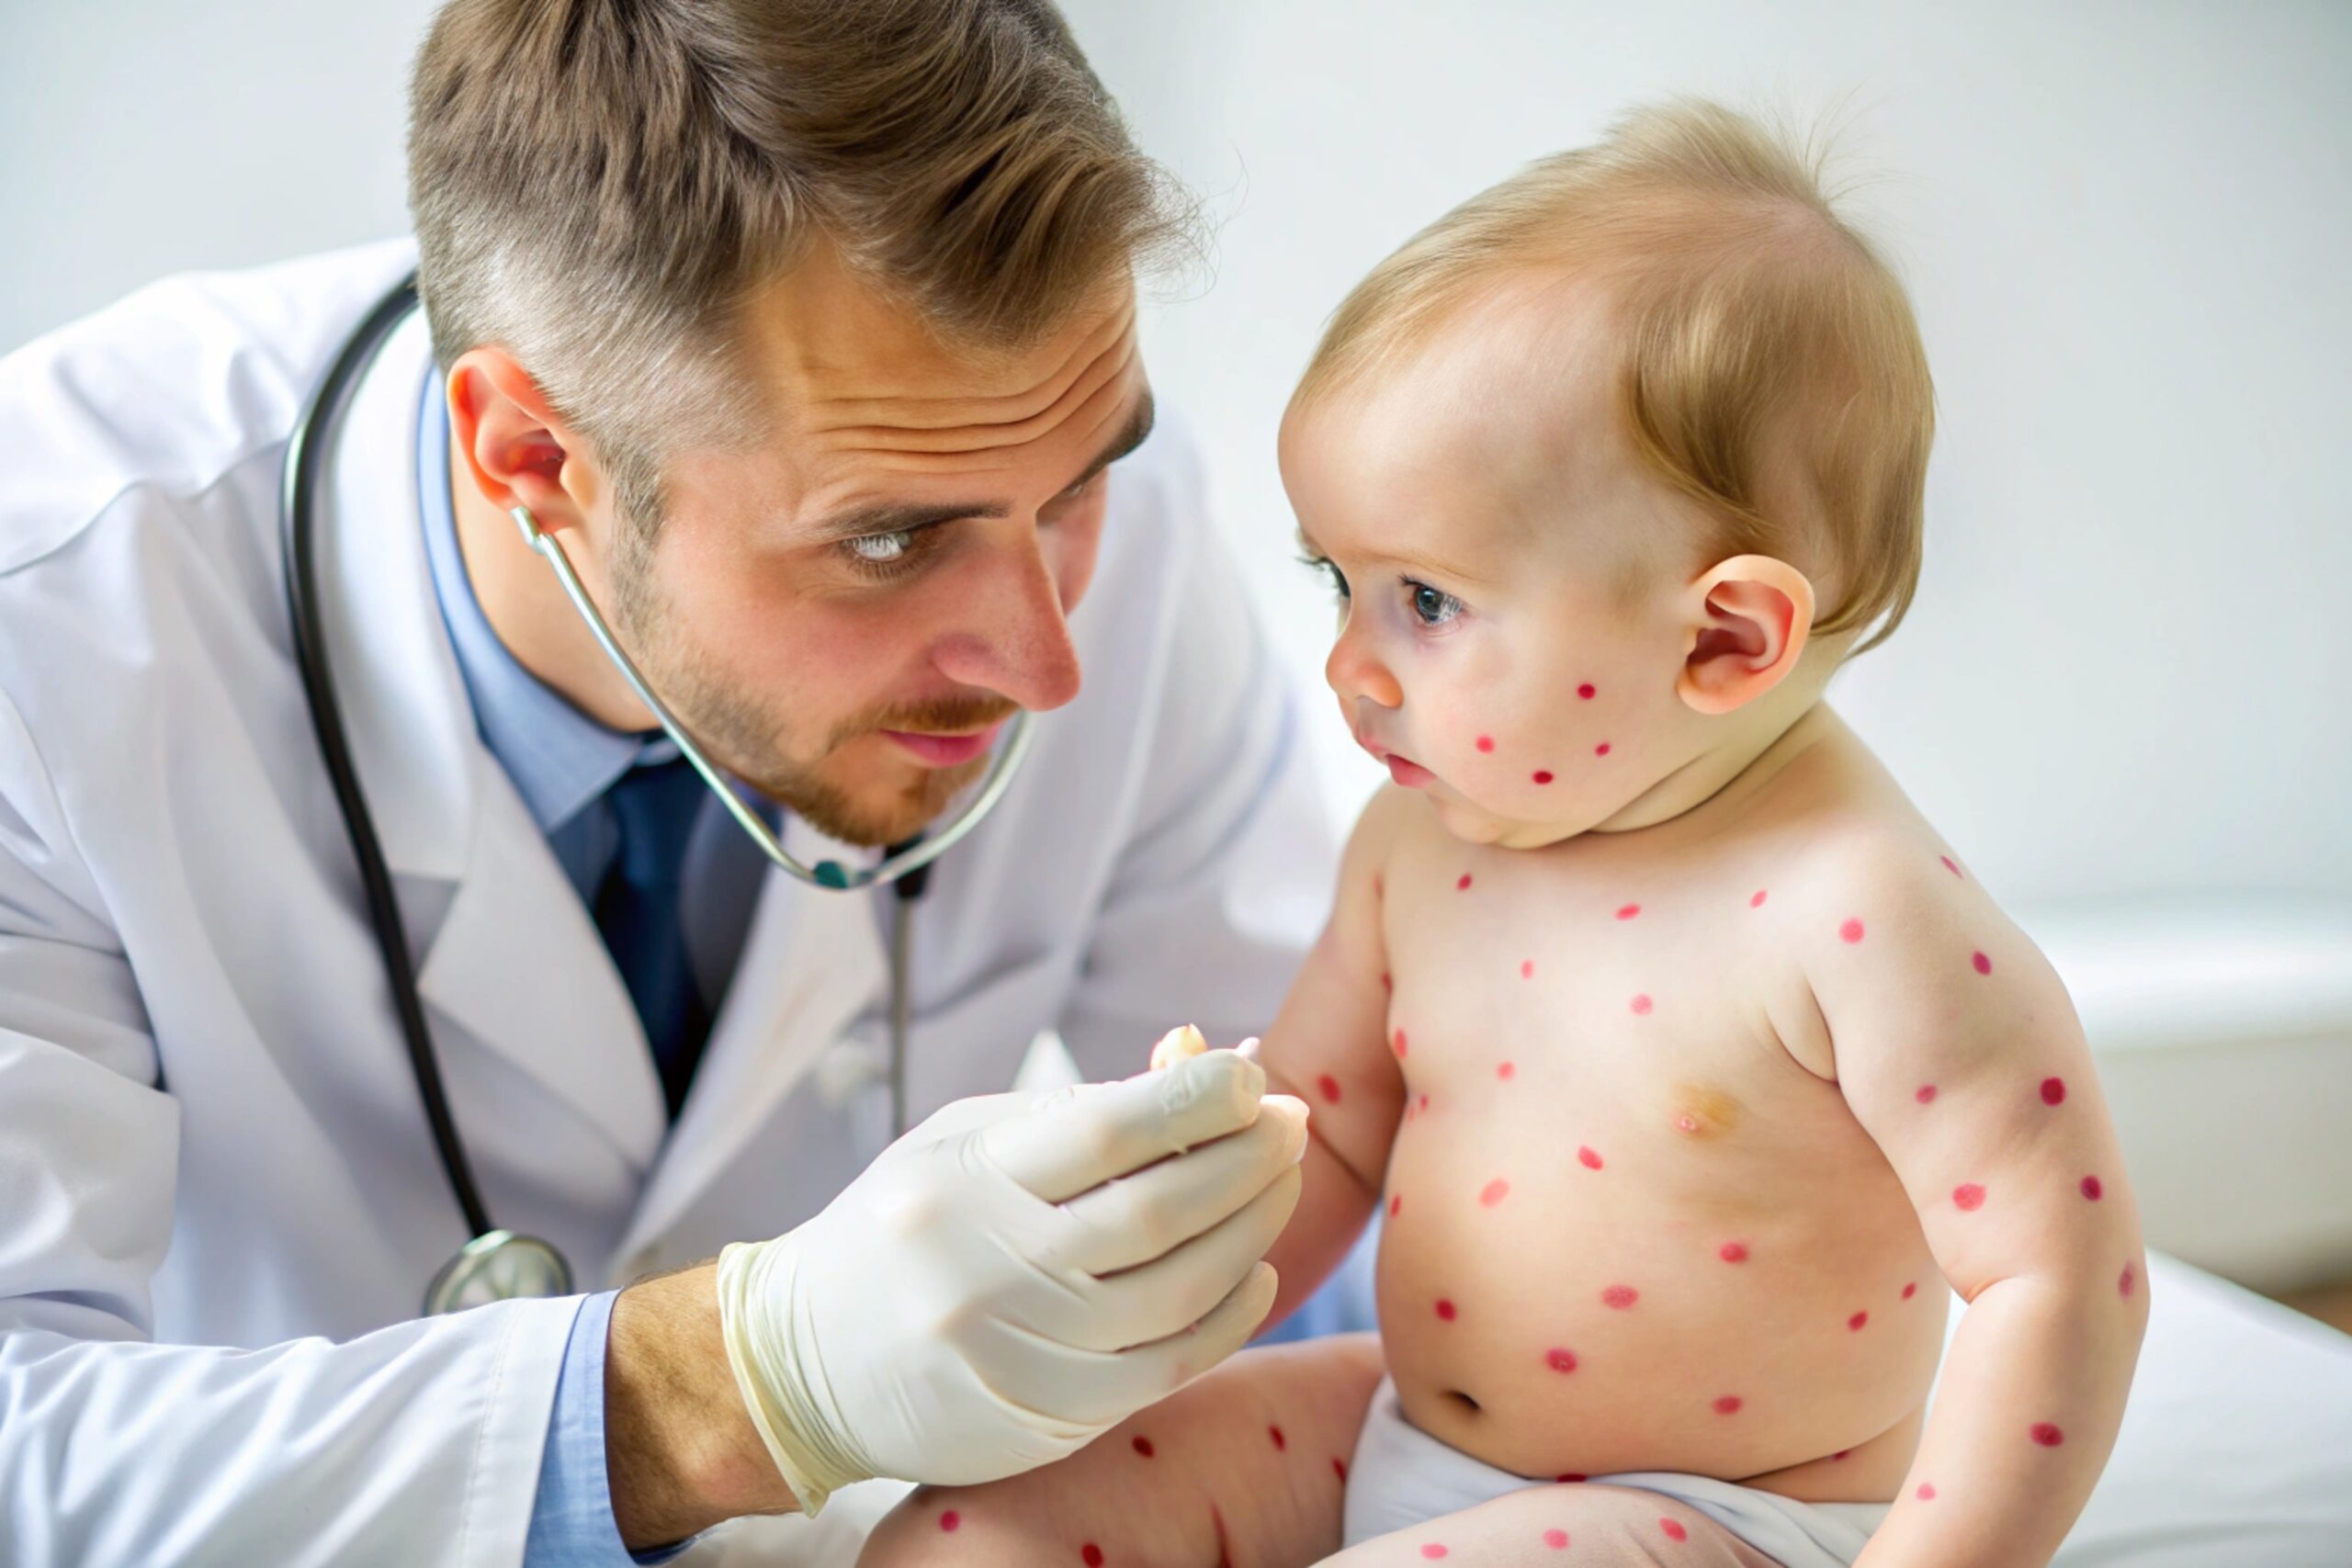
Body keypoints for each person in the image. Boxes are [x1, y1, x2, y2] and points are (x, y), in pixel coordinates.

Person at [0, 2, 1330, 1562]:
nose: (1048, 662)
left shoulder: (1050, 486)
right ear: (532, 457)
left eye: (1084, 478)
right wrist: (726, 1392)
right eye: (889, 542)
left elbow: (1338, 1203)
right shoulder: (56, 617)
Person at [855, 99, 2150, 1568]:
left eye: (1424, 600)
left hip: (1719, 1515)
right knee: (963, 1533)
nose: (1350, 661)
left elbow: (2060, 1276)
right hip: (1403, 1427)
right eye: (1332, 582)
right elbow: (1325, 1133)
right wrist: (1146, 1290)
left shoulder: (1860, 919)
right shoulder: (1422, 849)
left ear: (1725, 638)